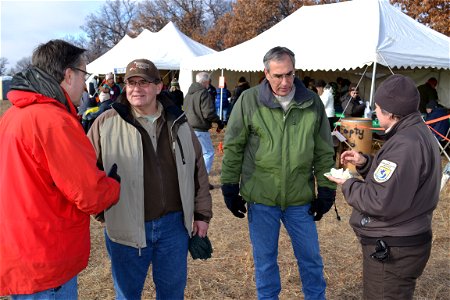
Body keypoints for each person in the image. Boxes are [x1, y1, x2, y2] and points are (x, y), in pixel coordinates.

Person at [0, 39, 121, 298]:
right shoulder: (53, 120)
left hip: (19, 250)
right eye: (84, 73)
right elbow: (90, 195)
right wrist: (112, 185)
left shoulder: (13, 115)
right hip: (47, 256)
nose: (83, 82)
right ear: (68, 75)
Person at [87, 58, 213, 299]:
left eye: (144, 82)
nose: (136, 88)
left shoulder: (179, 121)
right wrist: (103, 211)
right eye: (131, 82)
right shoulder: (106, 123)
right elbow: (85, 171)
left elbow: (198, 171)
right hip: (126, 229)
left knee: (172, 294)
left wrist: (202, 215)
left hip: (174, 228)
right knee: (127, 295)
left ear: (158, 87)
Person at [221, 46, 336, 299]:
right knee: (265, 262)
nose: (285, 82)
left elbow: (324, 151)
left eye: (289, 74)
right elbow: (234, 147)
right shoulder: (249, 100)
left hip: (299, 199)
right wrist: (229, 186)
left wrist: (326, 188)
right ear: (266, 73)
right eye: (278, 76)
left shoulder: (311, 102)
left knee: (311, 259)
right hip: (261, 199)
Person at [326, 74, 440, 299]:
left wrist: (348, 183)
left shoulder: (405, 145)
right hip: (406, 239)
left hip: (393, 248)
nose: (375, 112)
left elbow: (380, 200)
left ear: (391, 113)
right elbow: (400, 181)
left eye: (377, 108)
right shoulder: (416, 133)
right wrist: (365, 163)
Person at [184, 71, 224, 189]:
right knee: (209, 153)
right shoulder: (203, 93)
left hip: (188, 127)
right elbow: (208, 113)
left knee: (195, 155)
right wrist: (219, 122)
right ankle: (201, 181)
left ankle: (194, 179)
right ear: (206, 82)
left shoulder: (188, 94)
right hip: (199, 129)